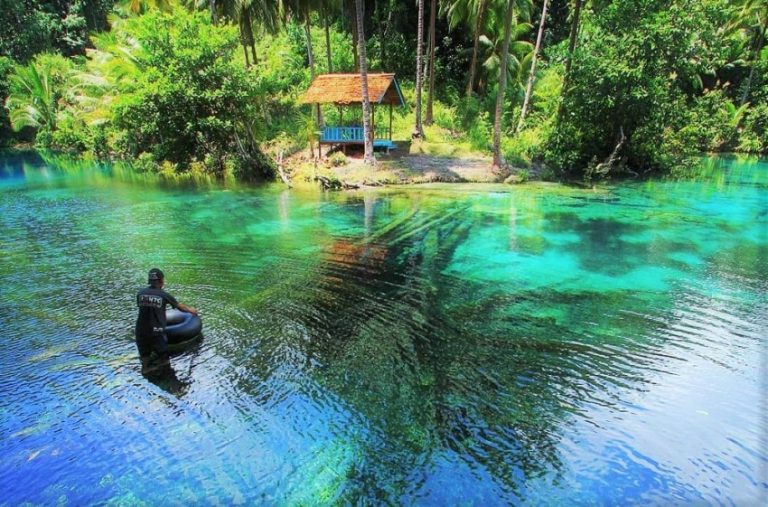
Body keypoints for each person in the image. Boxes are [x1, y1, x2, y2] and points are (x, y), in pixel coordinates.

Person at [135, 268, 198, 376]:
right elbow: (180, 307)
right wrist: (191, 310)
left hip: (140, 330)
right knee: (163, 357)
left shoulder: (140, 293)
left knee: (144, 356)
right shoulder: (163, 295)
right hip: (156, 331)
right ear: (161, 281)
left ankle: (146, 370)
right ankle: (166, 375)